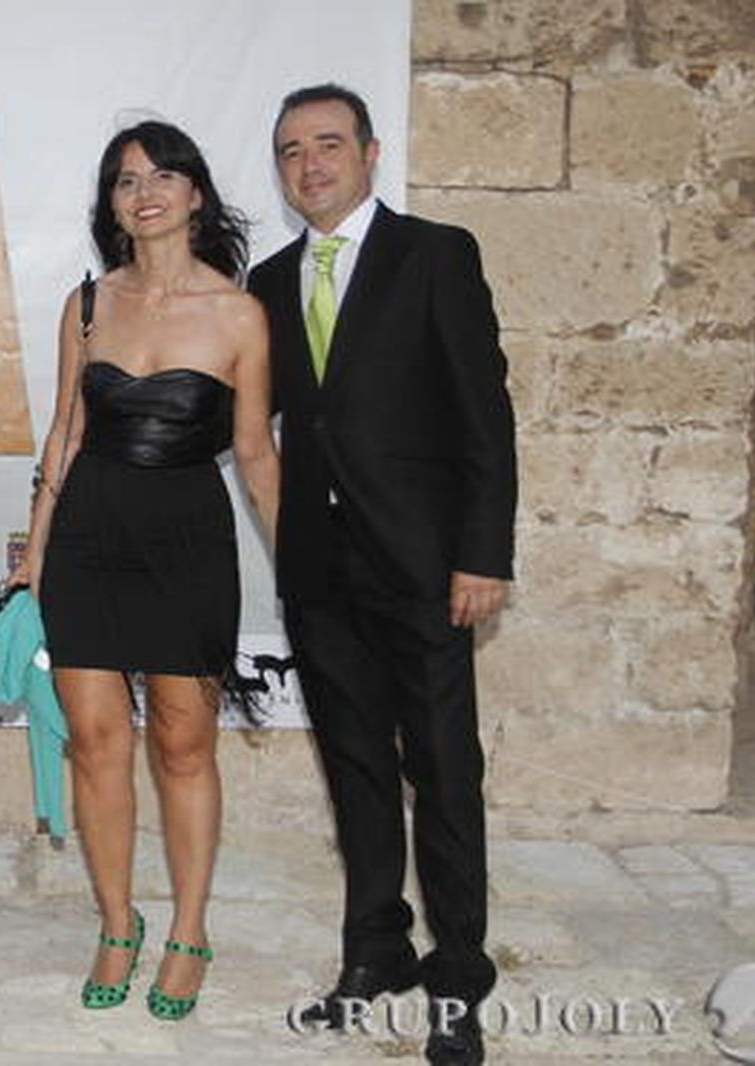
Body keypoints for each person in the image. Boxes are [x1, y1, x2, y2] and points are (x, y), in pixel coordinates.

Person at [247, 85, 517, 1066]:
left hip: (424, 565)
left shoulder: (435, 255)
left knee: (443, 772)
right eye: (290, 151)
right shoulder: (268, 281)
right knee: (354, 768)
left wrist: (482, 554)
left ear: (369, 152)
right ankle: (375, 950)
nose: (309, 164)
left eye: (327, 144)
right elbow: (273, 422)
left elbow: (484, 414)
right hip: (319, 570)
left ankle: (459, 976)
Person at [17, 121, 280, 1021]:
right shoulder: (87, 304)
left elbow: (255, 454)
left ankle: (190, 929)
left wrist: (302, 563)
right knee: (95, 742)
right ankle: (116, 922)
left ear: (196, 194)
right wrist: (35, 552)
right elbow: (65, 431)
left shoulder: (239, 314)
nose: (145, 192)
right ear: (113, 204)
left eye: (163, 175)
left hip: (187, 540)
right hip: (88, 535)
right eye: (126, 180)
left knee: (183, 745)